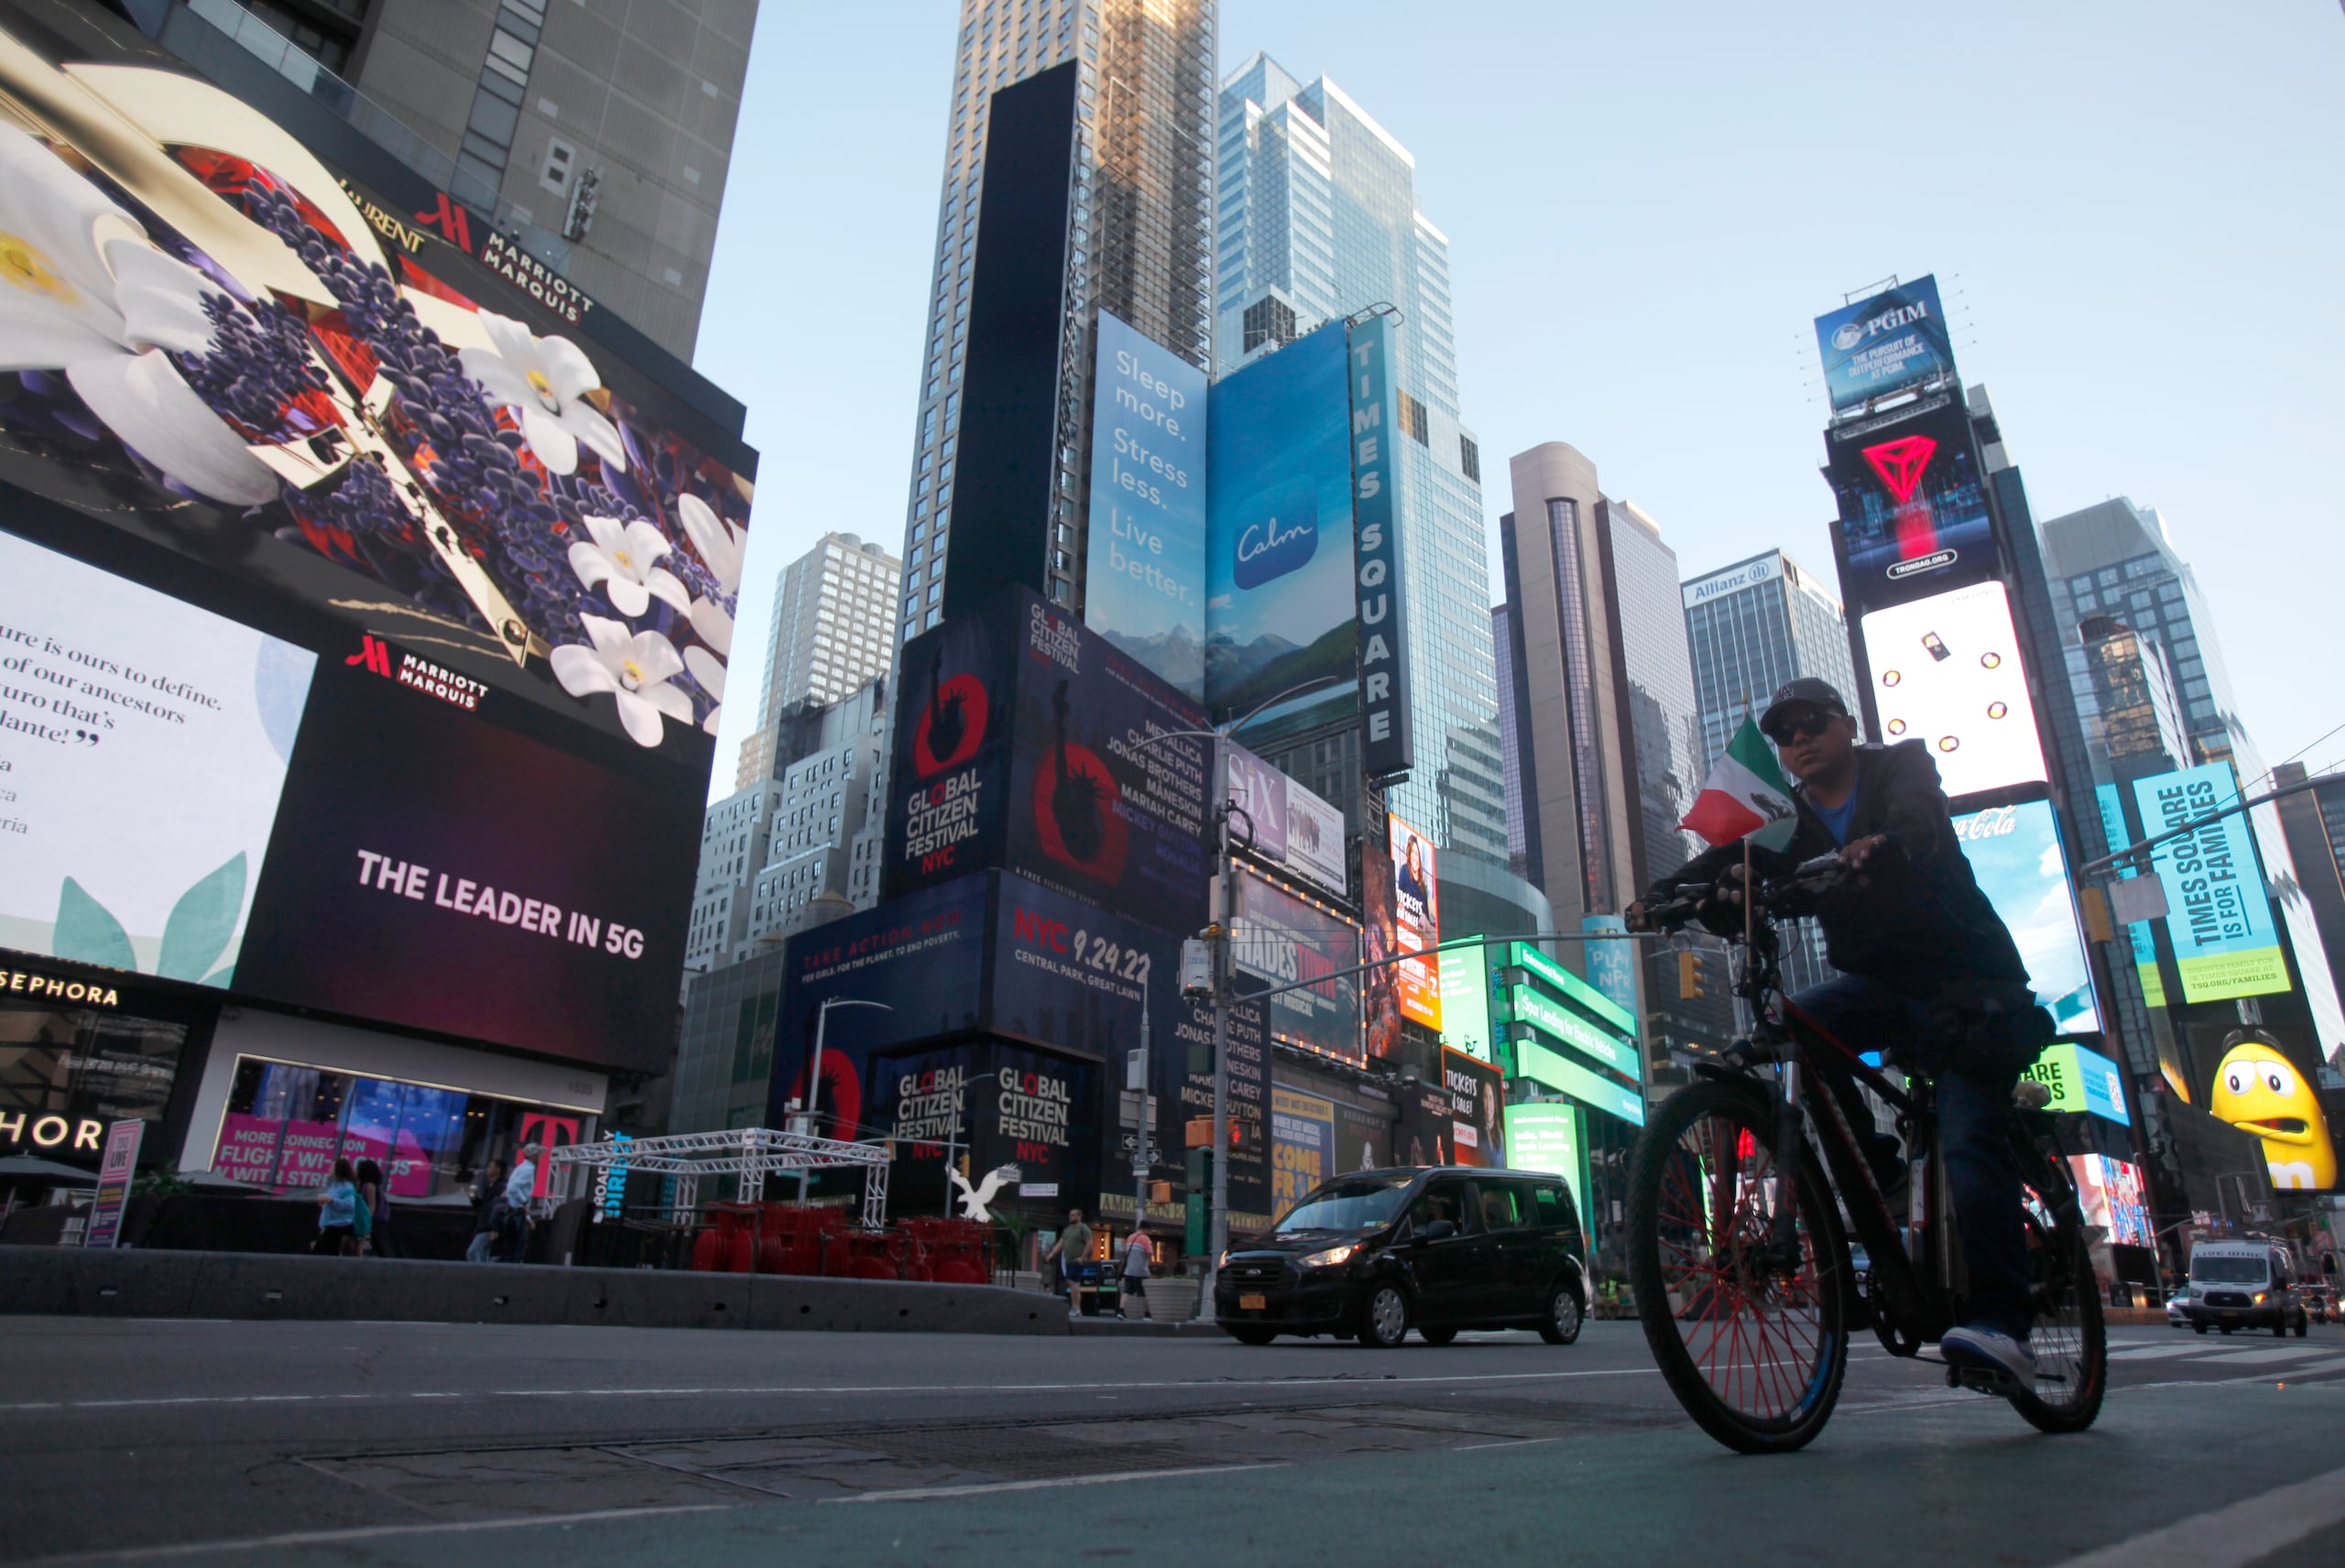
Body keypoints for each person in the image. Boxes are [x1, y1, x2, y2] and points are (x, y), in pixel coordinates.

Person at [1629, 678, 2050, 1387]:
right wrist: (1666, 897)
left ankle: (2003, 1322)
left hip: (1968, 984)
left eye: (1812, 724)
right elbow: (1743, 860)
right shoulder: (1792, 817)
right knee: (1788, 1032)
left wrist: (1882, 844)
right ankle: (1882, 1174)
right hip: (1879, 988)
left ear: (1847, 723)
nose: (1799, 740)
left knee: (1968, 1133)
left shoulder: (1900, 767)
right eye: (1785, 734)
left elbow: (1918, 818)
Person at [496, 1142, 541, 1264]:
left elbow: (510, 1190)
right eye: (539, 1154)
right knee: (516, 1247)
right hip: (516, 1213)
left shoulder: (520, 1168)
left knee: (511, 1247)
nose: (540, 1157)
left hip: (514, 1212)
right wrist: (524, 1202)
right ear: (534, 1155)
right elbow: (513, 1189)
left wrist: (527, 1217)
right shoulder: (528, 1170)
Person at [1045, 1207, 1092, 1319]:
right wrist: (1051, 1254)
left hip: (1077, 1260)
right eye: (1070, 1215)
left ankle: (1075, 1307)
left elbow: (1089, 1243)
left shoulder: (1083, 1228)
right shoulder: (1067, 1229)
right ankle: (1077, 1309)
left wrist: (1082, 1257)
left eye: (1073, 1215)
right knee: (1072, 1283)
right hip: (1067, 1260)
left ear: (1079, 1217)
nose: (1071, 1217)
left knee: (1072, 1281)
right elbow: (1061, 1243)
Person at [312, 1157, 361, 1256]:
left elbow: (349, 1204)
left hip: (339, 1225)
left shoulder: (347, 1187)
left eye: (332, 1167)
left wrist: (331, 1200)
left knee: (320, 1252)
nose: (329, 1169)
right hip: (330, 1224)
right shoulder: (335, 1185)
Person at [465, 1160, 506, 1263]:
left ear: (498, 1169)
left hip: (488, 1225)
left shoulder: (501, 1186)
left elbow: (497, 1207)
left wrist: (495, 1227)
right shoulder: (489, 1186)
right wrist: (473, 1198)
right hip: (484, 1224)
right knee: (482, 1252)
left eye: (490, 1166)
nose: (488, 1169)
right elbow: (482, 1206)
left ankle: (480, 1274)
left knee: (474, 1251)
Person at [354, 1158, 394, 1258]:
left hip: (370, 1221)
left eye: (358, 1169)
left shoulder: (369, 1185)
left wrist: (366, 1221)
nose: (356, 1171)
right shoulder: (361, 1186)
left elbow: (372, 1205)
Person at [1118, 1225, 1153, 1319]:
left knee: (1126, 1291)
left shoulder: (1130, 1237)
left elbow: (1126, 1252)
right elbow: (1149, 1253)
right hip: (1141, 1271)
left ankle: (1121, 1311)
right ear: (1146, 1229)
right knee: (1143, 1293)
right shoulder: (1145, 1239)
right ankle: (1147, 1314)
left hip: (1129, 1270)